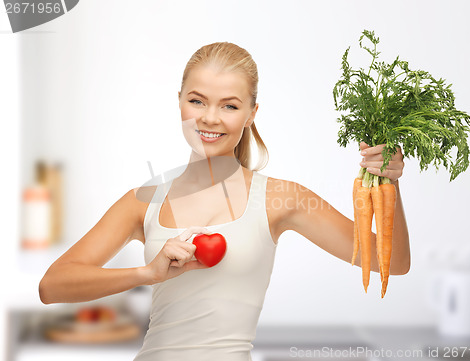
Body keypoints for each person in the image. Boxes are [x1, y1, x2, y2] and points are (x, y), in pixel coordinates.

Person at [39, 42, 409, 361]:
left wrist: (389, 186)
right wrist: (147, 274)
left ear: (251, 114)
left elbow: (393, 263)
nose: (209, 118)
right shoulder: (143, 201)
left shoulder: (281, 198)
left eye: (229, 106)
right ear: (180, 102)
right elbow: (53, 285)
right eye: (197, 100)